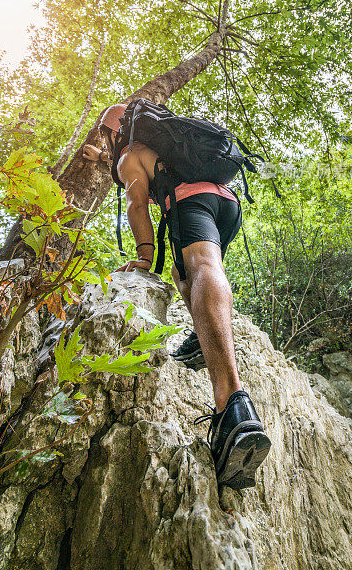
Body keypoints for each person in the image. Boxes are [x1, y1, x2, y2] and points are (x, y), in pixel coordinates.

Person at [83, 103, 271, 489]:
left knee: (201, 265)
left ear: (118, 130)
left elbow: (138, 205)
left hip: (191, 201)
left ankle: (232, 406)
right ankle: (203, 339)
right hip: (227, 203)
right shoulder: (157, 150)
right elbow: (144, 173)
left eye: (106, 135)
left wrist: (143, 256)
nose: (107, 142)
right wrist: (103, 158)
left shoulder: (129, 157)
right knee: (185, 273)